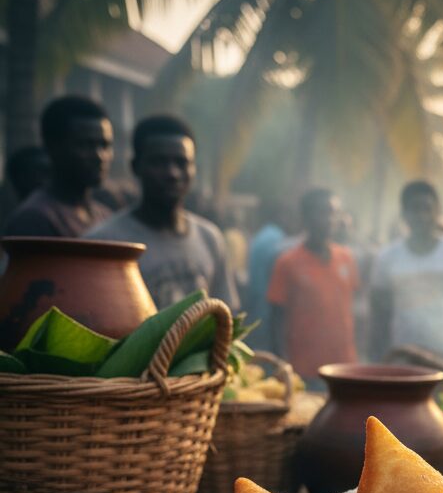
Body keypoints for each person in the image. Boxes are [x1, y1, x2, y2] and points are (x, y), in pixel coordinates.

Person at [87, 116, 238, 311]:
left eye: (181, 163)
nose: (172, 173)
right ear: (135, 166)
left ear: (194, 169)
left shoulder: (210, 239)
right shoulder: (105, 244)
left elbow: (225, 317)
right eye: (159, 162)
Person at [369, 180, 443, 366]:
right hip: (405, 356)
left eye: (427, 209)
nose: (422, 216)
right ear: (404, 215)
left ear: (438, 211)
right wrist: (376, 358)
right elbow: (379, 315)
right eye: (415, 209)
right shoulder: (387, 257)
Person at [266, 188, 359, 384]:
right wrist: (281, 364)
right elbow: (276, 320)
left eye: (333, 212)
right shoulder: (287, 262)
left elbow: (351, 309)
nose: (328, 219)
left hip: (344, 367)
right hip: (305, 369)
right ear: (306, 218)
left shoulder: (346, 258)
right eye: (322, 212)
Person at [4, 96, 113, 237]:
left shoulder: (105, 215)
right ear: (52, 147)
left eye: (105, 145)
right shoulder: (35, 219)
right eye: (85, 145)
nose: (100, 156)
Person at [245, 197, 295, 351]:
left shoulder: (260, 237)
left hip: (257, 307)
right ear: (281, 215)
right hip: (269, 310)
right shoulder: (277, 239)